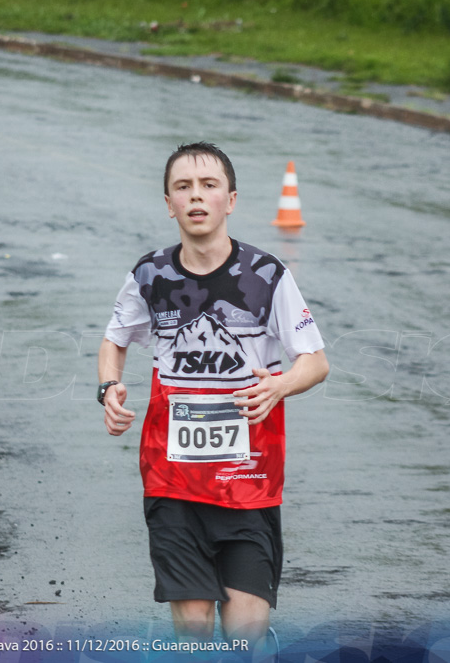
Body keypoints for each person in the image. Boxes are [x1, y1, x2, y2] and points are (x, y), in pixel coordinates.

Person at [97, 142, 329, 650]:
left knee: (245, 636)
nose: (196, 197)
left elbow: (315, 361)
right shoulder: (150, 276)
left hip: (248, 483)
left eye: (209, 186)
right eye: (183, 187)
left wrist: (280, 384)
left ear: (231, 199)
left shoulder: (267, 276)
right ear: (168, 203)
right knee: (195, 634)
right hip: (171, 481)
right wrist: (109, 386)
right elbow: (114, 339)